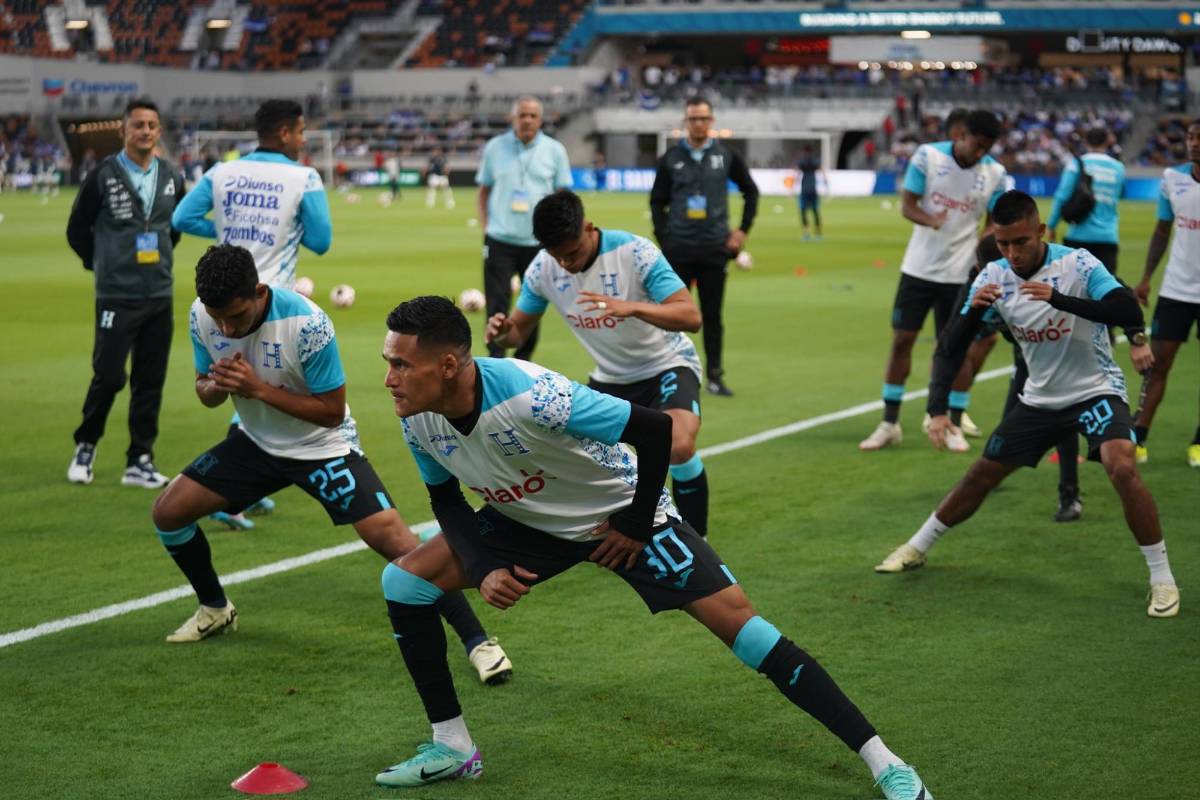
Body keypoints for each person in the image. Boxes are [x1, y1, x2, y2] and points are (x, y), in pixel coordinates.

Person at [372, 296, 933, 798]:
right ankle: (453, 747)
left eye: (401, 365)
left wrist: (637, 524)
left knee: (748, 632)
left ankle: (886, 762)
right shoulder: (418, 416)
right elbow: (445, 498)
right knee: (403, 582)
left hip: (621, 512)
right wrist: (482, 566)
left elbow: (655, 429)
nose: (389, 379)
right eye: (389, 363)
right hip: (528, 521)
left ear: (449, 366)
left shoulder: (532, 396)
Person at [149, 245, 512, 684]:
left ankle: (479, 641)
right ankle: (215, 608)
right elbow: (204, 389)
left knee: (398, 543)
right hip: (256, 443)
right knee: (168, 512)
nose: (226, 328)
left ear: (259, 292)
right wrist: (218, 385)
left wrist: (257, 389)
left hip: (322, 446)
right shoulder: (201, 315)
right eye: (218, 318)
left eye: (236, 316)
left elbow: (331, 412)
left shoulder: (307, 323)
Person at [876, 191, 1180, 619]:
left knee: (1123, 467)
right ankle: (917, 546)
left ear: (1041, 230)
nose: (1013, 253)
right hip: (1039, 399)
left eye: (1021, 242)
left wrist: (1058, 299)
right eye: (1003, 244)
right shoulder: (992, 276)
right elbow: (949, 348)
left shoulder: (1078, 264)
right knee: (981, 475)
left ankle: (1162, 579)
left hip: (1095, 390)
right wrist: (967, 325)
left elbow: (1125, 306)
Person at [485, 189, 711, 537]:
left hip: (666, 365)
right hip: (609, 378)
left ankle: (698, 539)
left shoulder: (635, 252)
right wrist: (502, 333)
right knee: (576, 459)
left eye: (572, 253)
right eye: (557, 256)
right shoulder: (543, 268)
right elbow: (516, 334)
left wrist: (631, 307)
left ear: (588, 228)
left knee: (678, 445)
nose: (565, 264)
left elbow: (690, 316)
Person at [173, 99, 334, 529]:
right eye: (301, 132)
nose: (303, 140)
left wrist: (226, 231)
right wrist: (283, 230)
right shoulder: (304, 177)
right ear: (285, 133)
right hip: (269, 302)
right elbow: (321, 241)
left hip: (222, 298)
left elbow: (182, 217)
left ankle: (245, 490)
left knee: (241, 384)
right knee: (264, 389)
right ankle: (232, 497)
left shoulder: (222, 171)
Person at [859, 109, 1006, 452]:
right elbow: (907, 206)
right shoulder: (928, 156)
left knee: (954, 348)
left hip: (960, 274)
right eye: (977, 145)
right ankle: (889, 423)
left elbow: (994, 221)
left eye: (987, 148)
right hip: (918, 269)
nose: (980, 153)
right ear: (960, 135)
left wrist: (984, 243)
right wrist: (930, 219)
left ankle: (953, 421)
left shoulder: (995, 173)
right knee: (902, 342)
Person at [66, 97, 187, 489]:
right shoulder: (102, 176)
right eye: (138, 125)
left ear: (159, 131)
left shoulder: (172, 176)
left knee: (150, 380)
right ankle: (86, 445)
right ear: (123, 130)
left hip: (159, 293)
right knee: (109, 376)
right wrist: (101, 264)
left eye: (151, 125)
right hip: (116, 294)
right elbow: (76, 230)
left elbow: (174, 228)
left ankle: (140, 459)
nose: (145, 131)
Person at [650, 97, 759, 397]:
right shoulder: (670, 158)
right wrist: (665, 239)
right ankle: (665, 375)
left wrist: (742, 231)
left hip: (714, 248)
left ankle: (714, 376)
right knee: (671, 318)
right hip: (679, 250)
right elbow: (657, 201)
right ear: (685, 122)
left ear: (711, 121)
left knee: (712, 317)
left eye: (703, 119)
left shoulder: (726, 155)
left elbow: (751, 191)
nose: (699, 124)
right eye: (693, 119)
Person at [475, 96, 573, 361]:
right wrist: (486, 226)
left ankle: (523, 361)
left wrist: (558, 235)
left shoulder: (555, 150)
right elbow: (483, 191)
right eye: (522, 115)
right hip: (499, 239)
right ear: (513, 118)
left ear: (540, 120)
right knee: (496, 303)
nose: (527, 120)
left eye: (533, 115)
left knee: (532, 306)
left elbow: (563, 197)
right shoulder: (495, 147)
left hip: (538, 243)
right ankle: (496, 360)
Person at [1132, 119, 1200, 468]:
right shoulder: (1172, 178)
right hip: (1176, 289)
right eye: (1191, 137)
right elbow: (1162, 231)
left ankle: (1199, 442)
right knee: (1156, 367)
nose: (1194, 144)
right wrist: (1146, 278)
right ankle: (1139, 437)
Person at [795, 145, 824, 240]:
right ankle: (818, 233)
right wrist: (826, 183)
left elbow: (797, 173)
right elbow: (822, 171)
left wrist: (792, 187)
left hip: (805, 189)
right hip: (813, 188)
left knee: (803, 211)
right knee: (815, 211)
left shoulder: (802, 161)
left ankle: (806, 233)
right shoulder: (815, 161)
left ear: (804, 151)